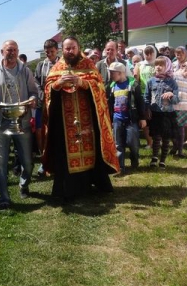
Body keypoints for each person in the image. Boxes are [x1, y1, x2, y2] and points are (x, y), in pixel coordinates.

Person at [42, 37, 119, 200]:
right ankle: (69, 188)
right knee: (65, 152)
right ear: (63, 50)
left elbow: (99, 87)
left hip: (88, 119)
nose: (70, 51)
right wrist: (58, 84)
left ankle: (93, 182)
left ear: (79, 48)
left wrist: (82, 82)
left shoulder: (88, 65)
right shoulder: (57, 68)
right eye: (67, 48)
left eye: (73, 48)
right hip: (65, 121)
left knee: (91, 150)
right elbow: (48, 88)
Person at [0, 40, 38, 210]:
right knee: (0, 163)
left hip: (22, 122)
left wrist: (33, 100)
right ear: (2, 52)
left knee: (27, 162)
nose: (12, 53)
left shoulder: (25, 71)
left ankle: (24, 183)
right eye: (8, 50)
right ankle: (4, 197)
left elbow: (34, 92)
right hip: (1, 121)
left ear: (18, 51)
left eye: (14, 50)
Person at [106, 62, 146, 173]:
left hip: (131, 119)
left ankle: (134, 162)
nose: (110, 75)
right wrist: (110, 119)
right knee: (118, 144)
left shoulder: (133, 85)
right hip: (117, 119)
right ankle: (120, 167)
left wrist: (142, 118)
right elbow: (110, 104)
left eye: (112, 73)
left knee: (132, 142)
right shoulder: (112, 86)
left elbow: (140, 102)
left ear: (120, 73)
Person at [144, 56, 179, 168]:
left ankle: (163, 160)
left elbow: (177, 99)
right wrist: (147, 108)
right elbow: (146, 97)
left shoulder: (172, 82)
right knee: (156, 137)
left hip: (168, 114)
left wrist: (171, 95)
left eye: (161, 65)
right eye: (156, 65)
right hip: (156, 113)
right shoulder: (151, 81)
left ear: (167, 66)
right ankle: (154, 157)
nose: (158, 67)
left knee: (166, 138)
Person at [34, 39, 59, 174]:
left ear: (57, 50)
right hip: (43, 103)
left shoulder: (62, 64)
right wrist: (41, 92)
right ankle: (44, 161)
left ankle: (58, 162)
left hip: (58, 103)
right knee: (41, 131)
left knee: (57, 131)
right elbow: (36, 81)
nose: (49, 54)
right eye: (47, 52)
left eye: (52, 51)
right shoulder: (40, 65)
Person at [134, 45, 158, 149]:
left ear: (154, 53)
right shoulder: (139, 64)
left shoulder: (158, 63)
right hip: (143, 94)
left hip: (156, 94)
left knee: (156, 119)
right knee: (145, 119)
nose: (148, 56)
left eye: (150, 53)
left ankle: (157, 141)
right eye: (146, 53)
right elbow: (136, 79)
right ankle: (149, 142)